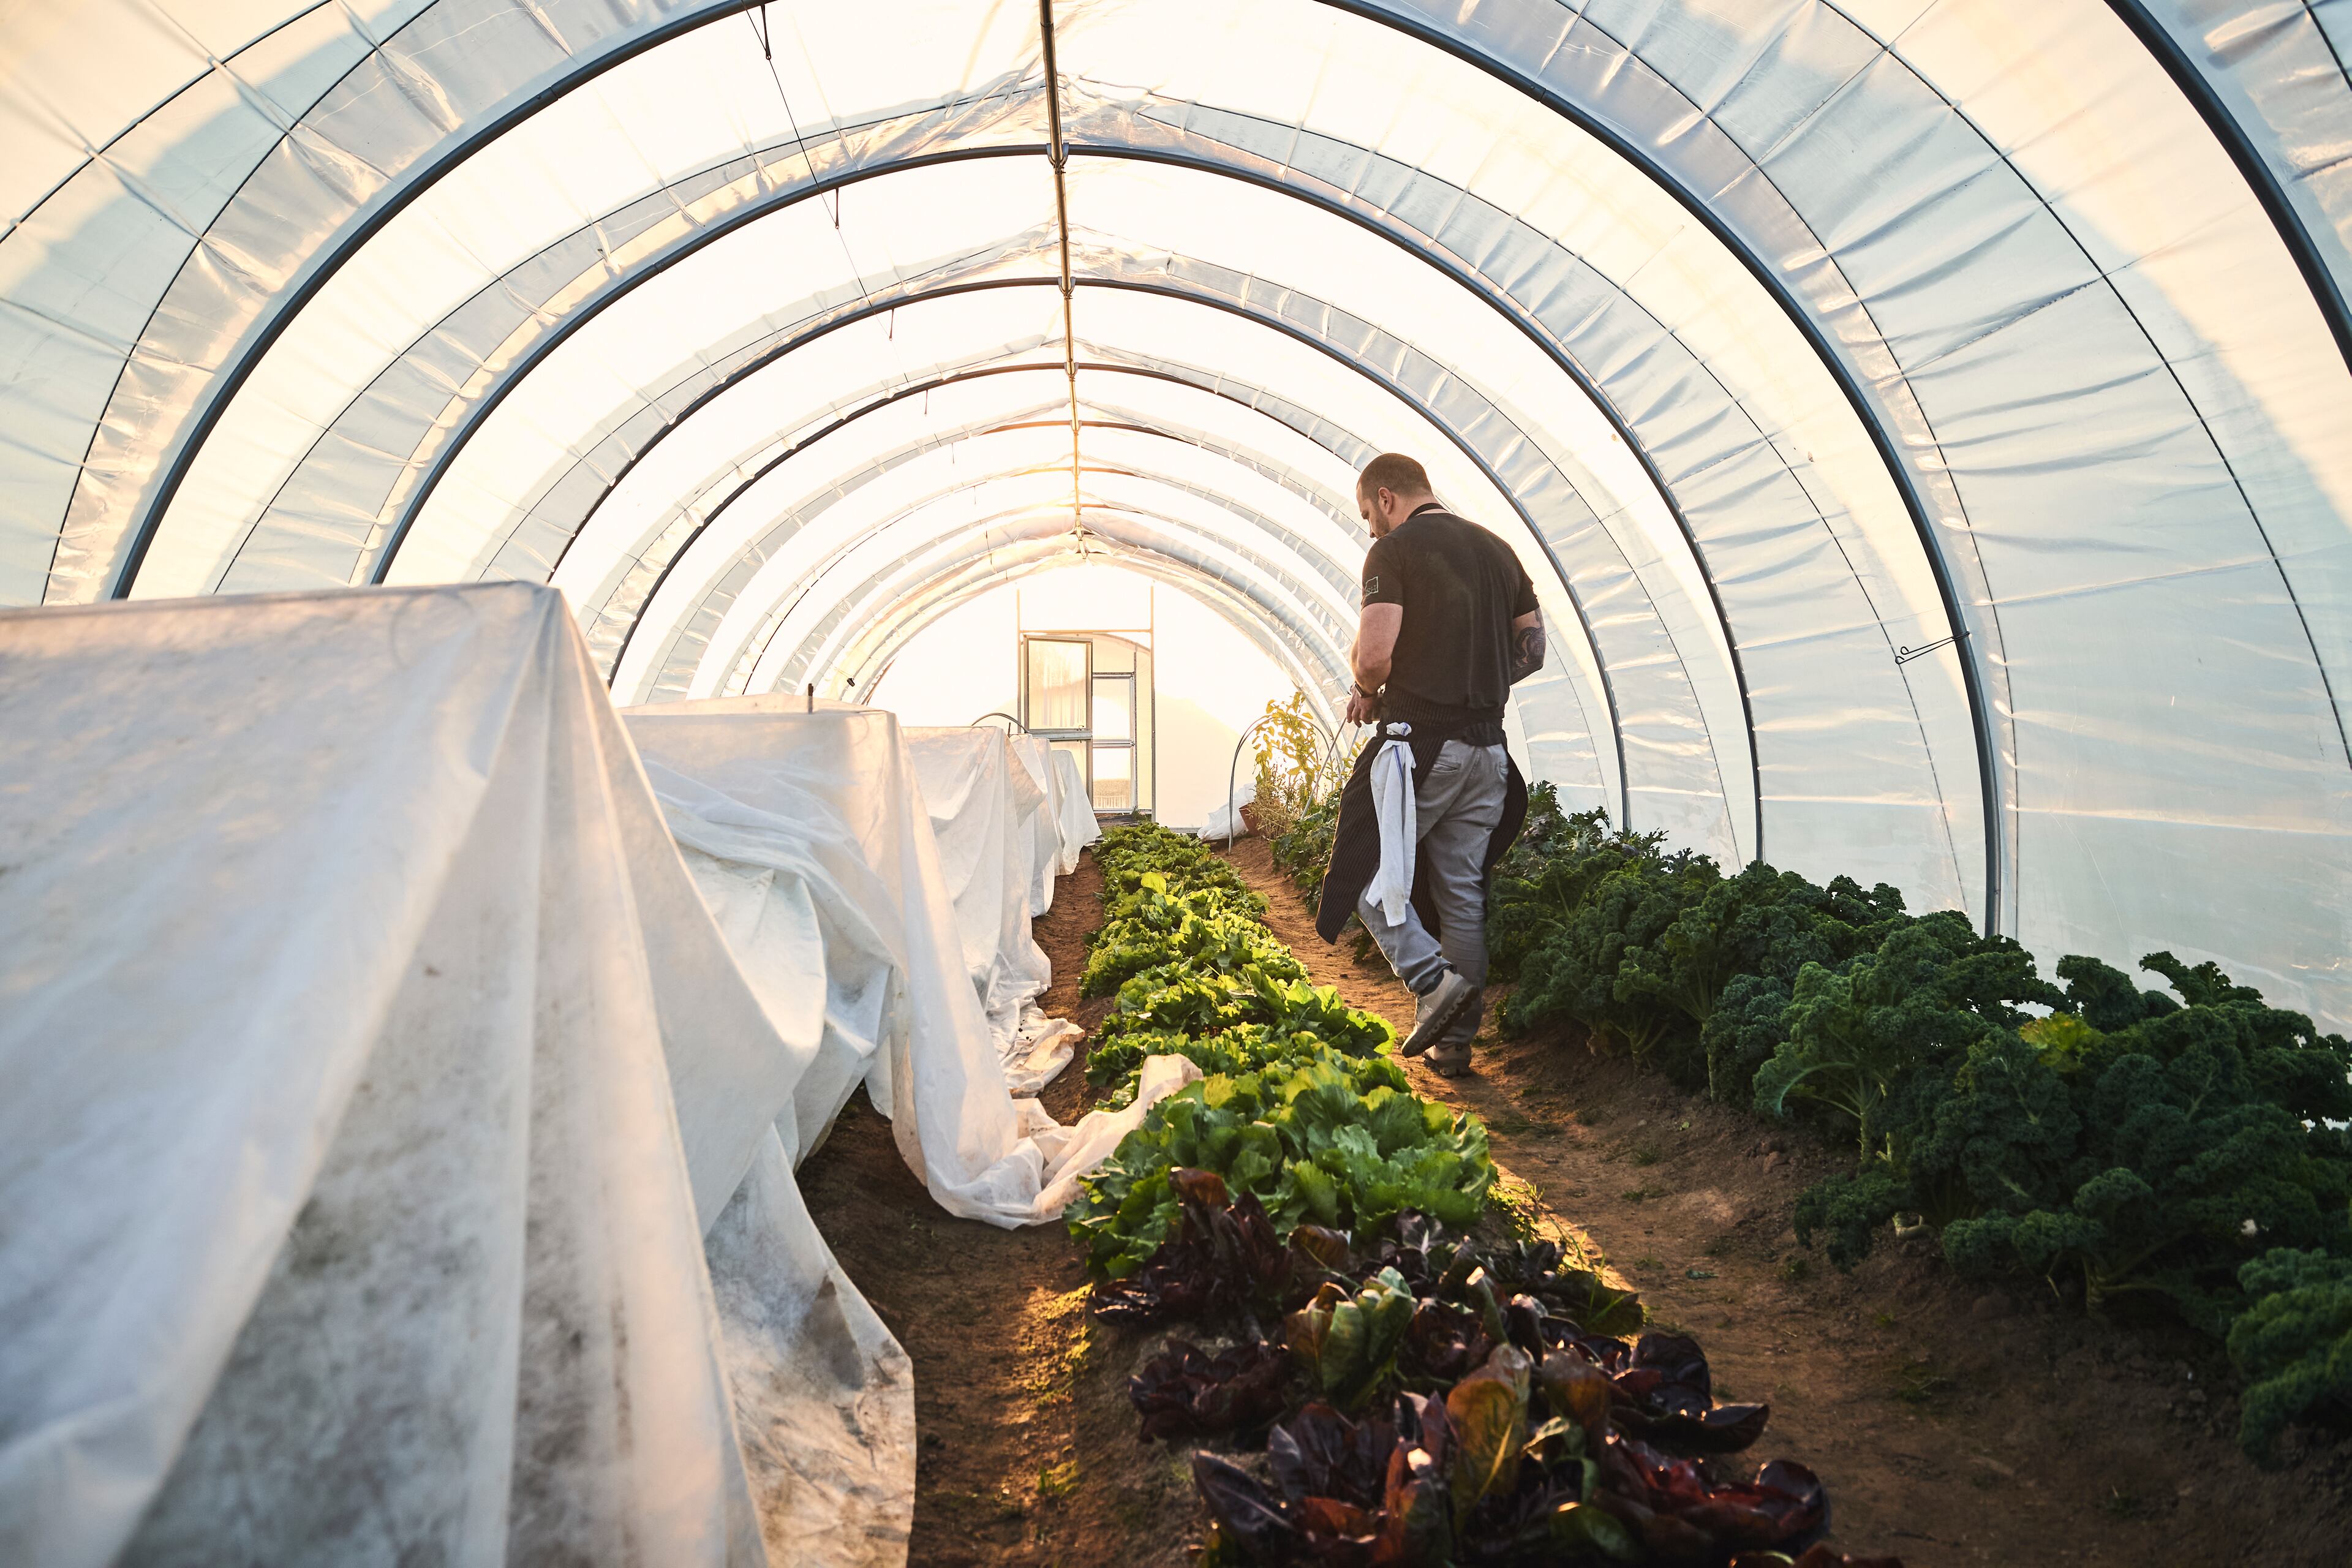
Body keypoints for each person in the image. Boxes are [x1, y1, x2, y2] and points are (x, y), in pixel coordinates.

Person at [1314, 453, 1544, 1074]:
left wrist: (1367, 685)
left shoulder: (1395, 552)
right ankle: (1454, 1046)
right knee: (1461, 893)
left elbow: (1377, 657)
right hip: (1487, 750)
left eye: (1368, 514)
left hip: (1420, 746)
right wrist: (1480, 675)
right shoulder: (1499, 552)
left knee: (1365, 871)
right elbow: (1533, 649)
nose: (1369, 529)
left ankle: (1429, 982)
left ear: (1386, 497)